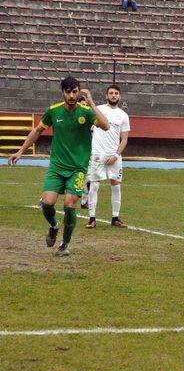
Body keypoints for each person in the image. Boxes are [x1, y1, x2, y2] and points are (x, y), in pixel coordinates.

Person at [7, 76, 109, 256]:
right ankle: (54, 226)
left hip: (77, 169)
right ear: (62, 92)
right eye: (68, 92)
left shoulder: (86, 112)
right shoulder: (53, 111)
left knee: (70, 205)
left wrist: (92, 103)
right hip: (56, 167)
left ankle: (64, 244)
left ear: (79, 92)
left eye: (75, 92)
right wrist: (21, 151)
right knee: (47, 203)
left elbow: (106, 126)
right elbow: (37, 130)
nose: (71, 95)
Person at [82, 85, 130, 229]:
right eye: (111, 93)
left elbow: (124, 139)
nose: (114, 95)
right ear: (106, 96)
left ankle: (115, 218)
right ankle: (92, 218)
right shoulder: (99, 110)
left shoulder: (123, 115)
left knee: (116, 186)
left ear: (119, 96)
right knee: (94, 185)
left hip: (114, 156)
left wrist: (116, 155)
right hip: (97, 154)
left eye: (116, 93)